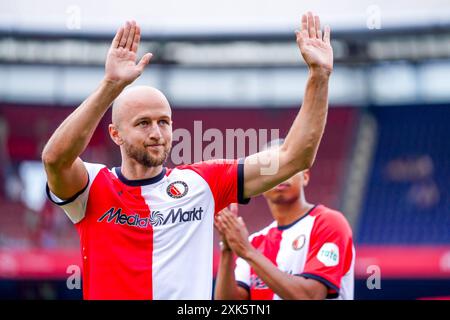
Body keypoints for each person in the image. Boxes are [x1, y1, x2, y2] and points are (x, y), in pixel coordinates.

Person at [42, 12, 333, 299]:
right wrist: (111, 87)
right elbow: (55, 159)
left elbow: (294, 157)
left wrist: (319, 76)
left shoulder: (203, 183)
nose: (156, 132)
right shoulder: (92, 187)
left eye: (164, 122)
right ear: (116, 134)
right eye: (143, 123)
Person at [214, 140, 354, 300]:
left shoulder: (328, 222)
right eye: (272, 168)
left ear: (305, 176)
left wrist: (247, 252)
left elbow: (311, 296)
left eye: (288, 166)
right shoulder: (255, 241)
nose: (280, 175)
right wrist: (227, 248)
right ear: (259, 183)